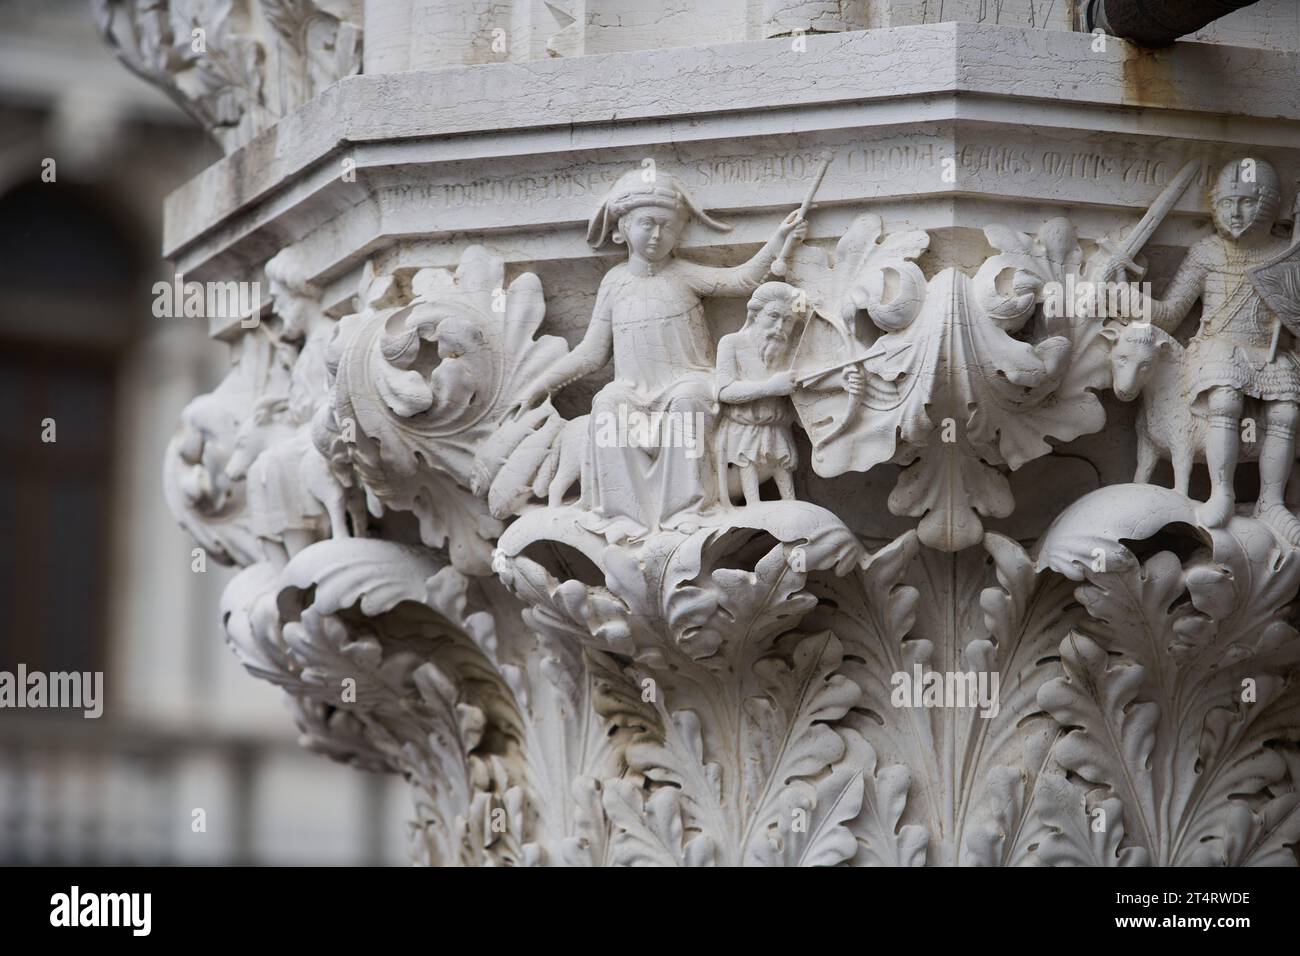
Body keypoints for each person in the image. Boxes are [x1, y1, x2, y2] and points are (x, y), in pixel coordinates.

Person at [515, 167, 806, 539]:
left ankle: (686, 509)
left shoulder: (682, 274)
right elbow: (591, 352)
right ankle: (623, 515)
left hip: (685, 382)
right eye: (647, 224)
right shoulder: (614, 282)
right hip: (634, 390)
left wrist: (780, 239)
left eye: (668, 227)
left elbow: (742, 279)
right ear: (622, 227)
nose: (656, 234)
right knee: (607, 402)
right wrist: (540, 387)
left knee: (687, 402)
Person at [1105, 157, 1300, 541]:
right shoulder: (1206, 253)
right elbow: (1170, 313)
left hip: (1269, 349)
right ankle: (1222, 491)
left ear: (1270, 204)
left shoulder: (1286, 256)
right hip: (1218, 346)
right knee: (1224, 400)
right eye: (1227, 202)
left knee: (1287, 412)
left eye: (1247, 201)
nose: (1236, 211)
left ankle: (1272, 502)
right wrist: (1125, 294)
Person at [714, 282, 803, 506]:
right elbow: (725, 391)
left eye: (788, 320)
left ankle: (791, 505)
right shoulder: (731, 343)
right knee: (748, 466)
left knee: (783, 468)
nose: (779, 326)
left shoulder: (788, 351)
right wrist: (771, 387)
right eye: (773, 315)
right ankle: (753, 506)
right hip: (744, 429)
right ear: (755, 314)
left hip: (777, 427)